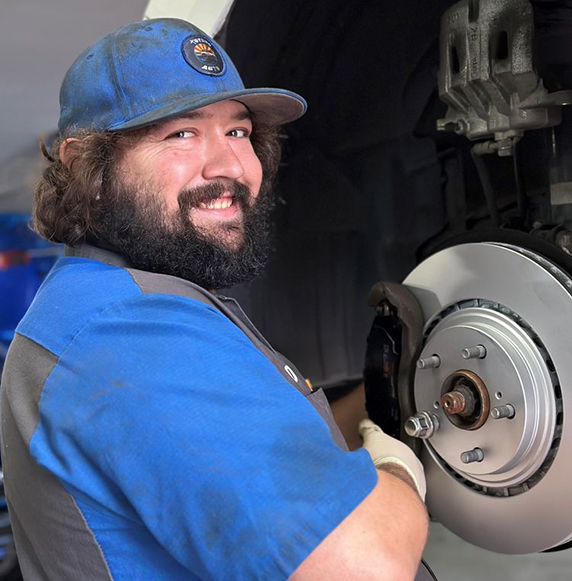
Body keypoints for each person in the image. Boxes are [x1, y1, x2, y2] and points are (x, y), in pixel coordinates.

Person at [0, 18, 429, 581]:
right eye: (181, 133)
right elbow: (365, 565)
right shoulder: (128, 332)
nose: (229, 166)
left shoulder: (105, 298)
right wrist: (397, 467)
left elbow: (258, 443)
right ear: (86, 167)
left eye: (238, 133)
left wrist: (384, 402)